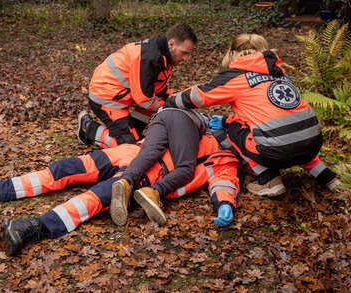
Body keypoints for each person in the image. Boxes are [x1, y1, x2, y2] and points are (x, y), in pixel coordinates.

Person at [0, 134, 242, 256]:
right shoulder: (199, 121)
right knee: (64, 168)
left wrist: (225, 204)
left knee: (95, 198)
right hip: (130, 153)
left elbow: (225, 181)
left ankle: (32, 228)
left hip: (151, 176)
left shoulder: (225, 157)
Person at [162, 33, 341, 196]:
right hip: (313, 142)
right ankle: (330, 179)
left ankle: (270, 179)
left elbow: (198, 97)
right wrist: (225, 118)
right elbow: (267, 117)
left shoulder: (235, 76)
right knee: (295, 134)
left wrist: (168, 102)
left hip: (277, 151)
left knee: (232, 130)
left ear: (232, 53)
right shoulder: (279, 73)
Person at [77, 22, 197, 149]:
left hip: (120, 95)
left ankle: (132, 132)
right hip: (106, 98)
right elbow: (144, 100)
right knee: (130, 149)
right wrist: (170, 106)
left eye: (188, 54)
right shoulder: (150, 59)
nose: (185, 58)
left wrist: (177, 103)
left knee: (152, 106)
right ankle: (89, 127)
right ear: (171, 44)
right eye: (184, 53)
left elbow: (159, 90)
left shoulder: (163, 55)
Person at [110, 107, 208, 226]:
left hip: (161, 115)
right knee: (185, 168)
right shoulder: (216, 126)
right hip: (185, 120)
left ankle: (126, 181)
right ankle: (154, 191)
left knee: (148, 153)